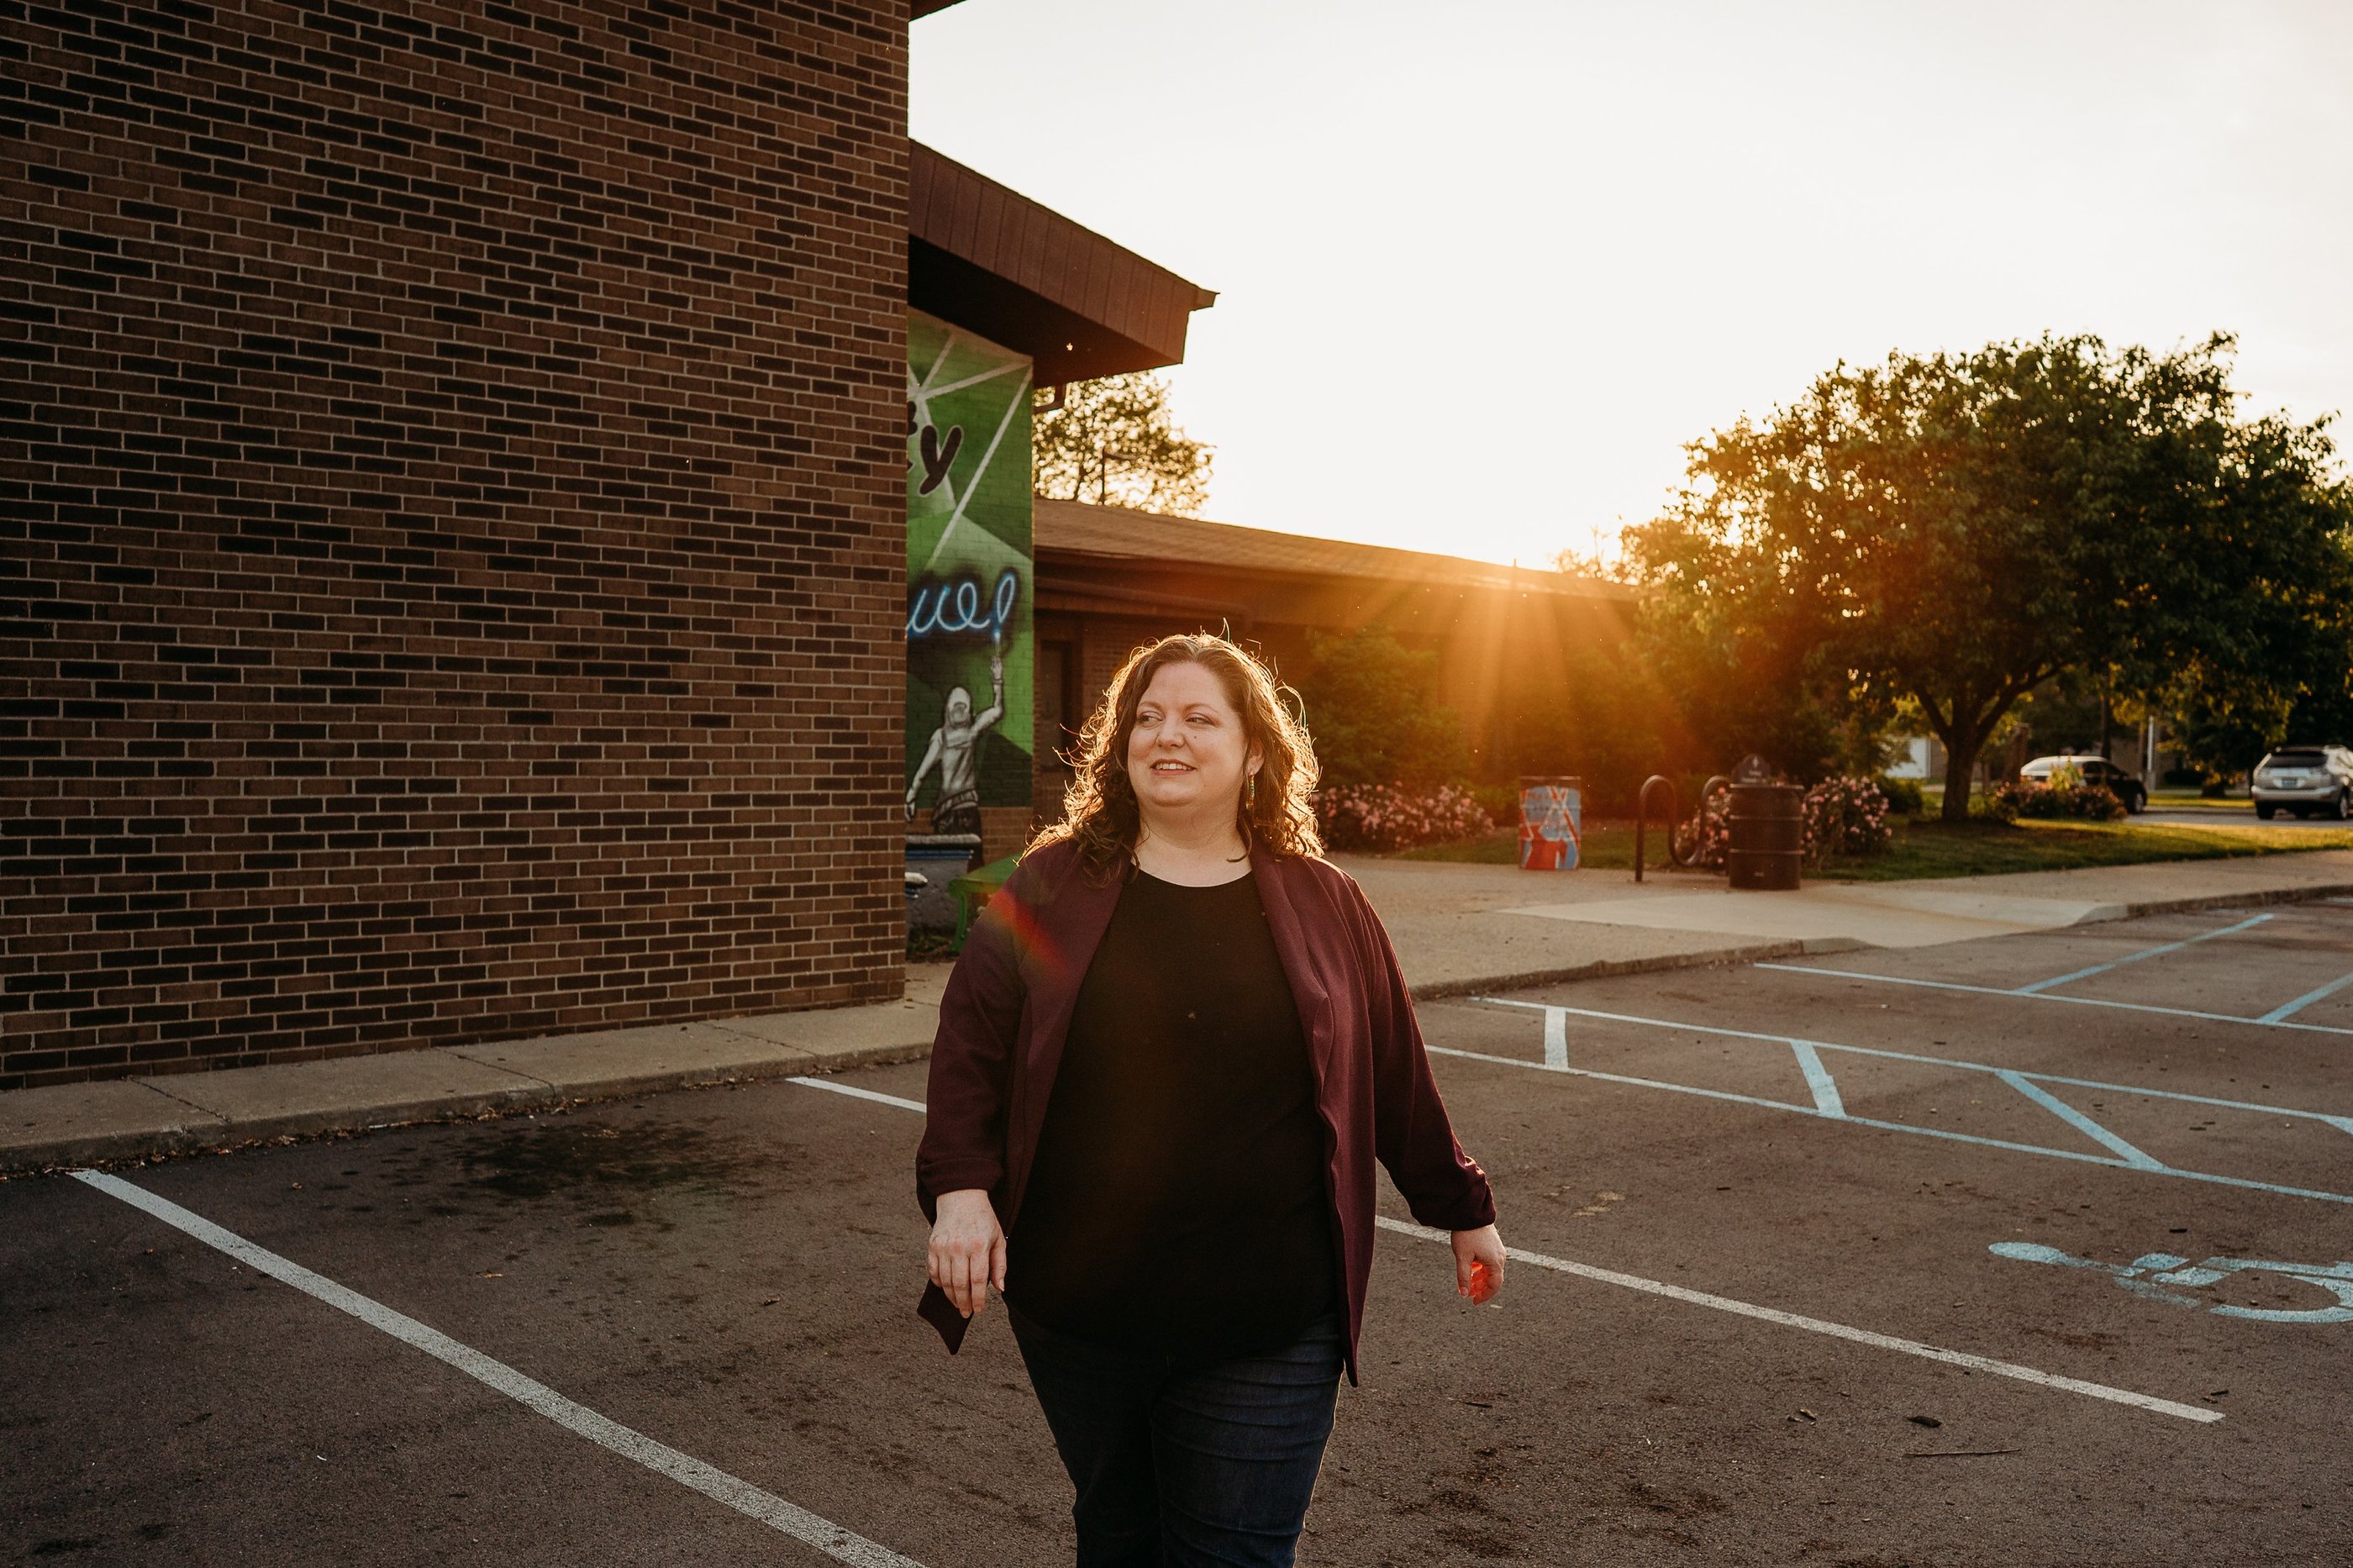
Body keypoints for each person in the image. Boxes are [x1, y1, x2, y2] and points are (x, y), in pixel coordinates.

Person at [915, 633, 1506, 1567]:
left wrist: (1461, 1208)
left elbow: (1392, 1070)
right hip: (1079, 1309)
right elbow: (969, 1053)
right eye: (1145, 718)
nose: (1166, 736)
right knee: (1118, 1533)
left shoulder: (1325, 902)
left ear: (1255, 752)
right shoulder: (1050, 885)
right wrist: (959, 1192)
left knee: (1233, 1555)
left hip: (1267, 1315)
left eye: (1197, 718)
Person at [906, 644, 1005, 836]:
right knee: (971, 862)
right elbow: (997, 710)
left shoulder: (943, 737)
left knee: (948, 861)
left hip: (948, 808)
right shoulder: (967, 732)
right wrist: (997, 680)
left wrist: (910, 797)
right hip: (965, 805)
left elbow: (921, 774)